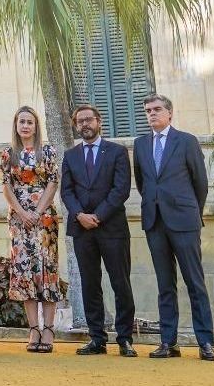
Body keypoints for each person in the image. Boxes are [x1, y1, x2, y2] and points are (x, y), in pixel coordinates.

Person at [133, 94, 214, 361]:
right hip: (155, 222)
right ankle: (168, 342)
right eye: (148, 111)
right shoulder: (140, 144)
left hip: (184, 221)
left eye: (157, 109)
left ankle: (205, 342)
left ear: (170, 113)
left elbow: (200, 183)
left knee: (195, 282)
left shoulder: (187, 141)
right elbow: (143, 182)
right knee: (164, 285)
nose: (152, 114)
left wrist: (191, 211)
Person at [60, 104, 137, 358]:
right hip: (82, 229)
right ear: (75, 125)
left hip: (112, 227)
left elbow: (121, 189)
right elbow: (67, 192)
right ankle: (97, 338)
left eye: (88, 119)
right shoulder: (70, 156)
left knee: (120, 283)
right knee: (90, 284)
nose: (84, 124)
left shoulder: (116, 152)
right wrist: (80, 215)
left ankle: (125, 339)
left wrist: (99, 215)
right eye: (80, 121)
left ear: (99, 121)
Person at [1, 105, 62, 353]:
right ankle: (34, 328)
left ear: (36, 126)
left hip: (44, 219)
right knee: (25, 271)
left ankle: (48, 329)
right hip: (19, 220)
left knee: (46, 270)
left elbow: (53, 182)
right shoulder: (8, 154)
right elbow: (6, 186)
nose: (25, 126)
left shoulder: (47, 151)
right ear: (16, 126)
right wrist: (21, 212)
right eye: (21, 122)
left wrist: (37, 212)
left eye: (30, 122)